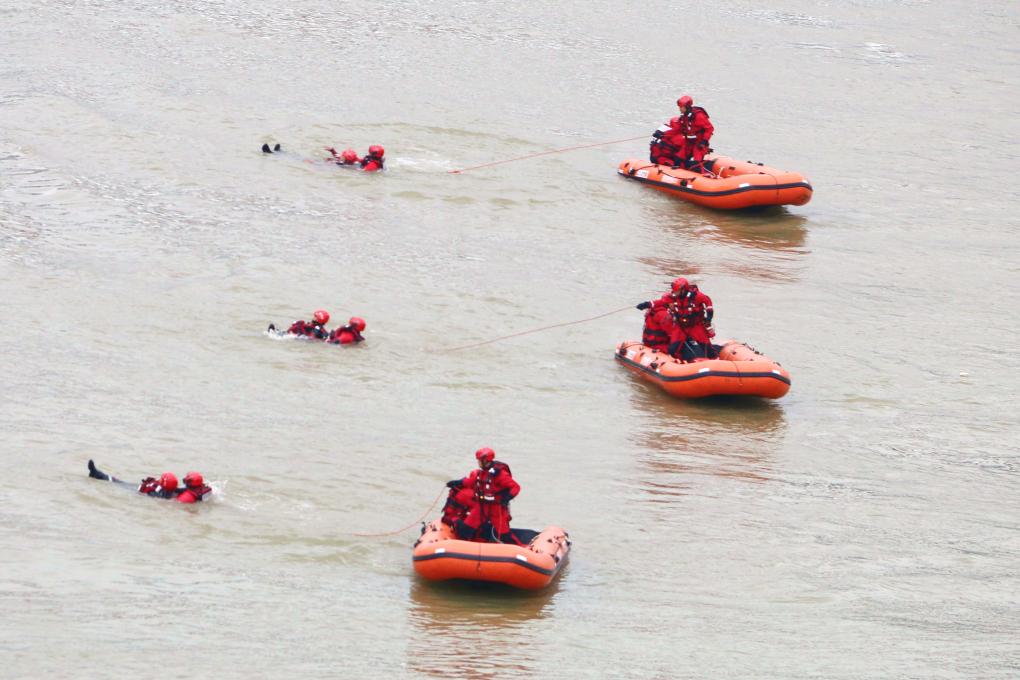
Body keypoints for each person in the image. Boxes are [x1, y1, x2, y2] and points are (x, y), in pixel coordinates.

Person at [447, 448, 521, 544]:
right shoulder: (481, 473)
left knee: (504, 536)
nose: (478, 462)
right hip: (481, 507)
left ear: (485, 460)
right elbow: (471, 481)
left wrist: (506, 499)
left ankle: (518, 548)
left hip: (496, 508)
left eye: (479, 460)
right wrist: (457, 482)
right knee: (465, 530)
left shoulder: (500, 475)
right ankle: (463, 547)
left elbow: (515, 487)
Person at [674, 280, 717, 358]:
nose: (675, 293)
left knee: (706, 347)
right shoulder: (673, 297)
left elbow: (708, 303)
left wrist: (708, 318)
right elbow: (662, 302)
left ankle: (713, 359)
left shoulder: (697, 296)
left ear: (683, 289)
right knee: (673, 347)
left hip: (695, 326)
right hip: (681, 326)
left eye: (677, 291)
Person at [674, 95, 714, 171]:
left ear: (686, 107)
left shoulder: (698, 116)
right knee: (678, 160)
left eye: (681, 107)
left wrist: (704, 141)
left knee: (697, 164)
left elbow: (709, 129)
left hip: (699, 144)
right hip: (689, 143)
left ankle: (707, 171)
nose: (679, 109)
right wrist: (663, 133)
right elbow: (678, 128)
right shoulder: (685, 116)